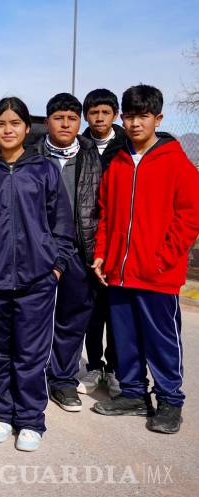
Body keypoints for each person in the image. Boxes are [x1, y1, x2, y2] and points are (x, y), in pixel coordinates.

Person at [91, 84, 199, 434]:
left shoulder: (177, 162)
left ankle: (170, 400)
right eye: (130, 116)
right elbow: (106, 215)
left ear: (158, 118)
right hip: (119, 273)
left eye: (144, 116)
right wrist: (101, 255)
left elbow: (190, 216)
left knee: (161, 339)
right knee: (126, 338)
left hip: (157, 274)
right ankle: (134, 394)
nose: (136, 123)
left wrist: (162, 259)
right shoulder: (119, 162)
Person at [0, 96, 75, 452]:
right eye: (1, 124)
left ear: (25, 128)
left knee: (30, 353)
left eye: (14, 123)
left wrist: (56, 266)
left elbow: (62, 222)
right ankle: (3, 413)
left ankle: (31, 419)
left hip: (37, 279)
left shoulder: (44, 169)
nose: (7, 130)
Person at [37, 93, 102, 413]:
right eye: (59, 117)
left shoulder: (93, 156)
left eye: (72, 118)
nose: (65, 123)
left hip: (79, 251)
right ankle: (32, 376)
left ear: (80, 123)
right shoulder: (33, 154)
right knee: (32, 319)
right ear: (47, 120)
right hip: (38, 251)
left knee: (71, 319)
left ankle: (62, 380)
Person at [78, 87, 126, 396]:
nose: (99, 118)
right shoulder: (81, 146)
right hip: (87, 239)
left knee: (117, 311)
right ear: (86, 116)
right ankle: (95, 366)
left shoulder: (124, 146)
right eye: (93, 112)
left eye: (105, 112)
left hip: (117, 238)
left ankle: (117, 369)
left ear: (115, 114)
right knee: (92, 311)